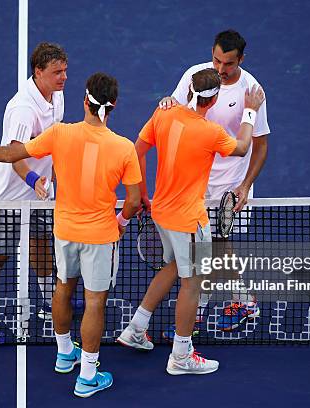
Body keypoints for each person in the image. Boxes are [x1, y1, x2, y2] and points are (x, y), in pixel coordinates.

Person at [0, 73, 142, 397]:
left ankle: (64, 353)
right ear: (113, 106)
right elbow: (136, 201)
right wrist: (121, 223)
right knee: (95, 303)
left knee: (62, 289)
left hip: (64, 231)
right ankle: (86, 376)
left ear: (85, 101)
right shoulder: (124, 148)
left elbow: (13, 154)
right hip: (100, 236)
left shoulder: (60, 134)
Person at [117, 68, 265, 374]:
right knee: (192, 285)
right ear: (212, 102)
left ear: (189, 92)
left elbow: (137, 150)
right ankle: (181, 356)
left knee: (171, 267)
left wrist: (143, 194)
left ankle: (135, 328)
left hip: (160, 212)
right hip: (189, 222)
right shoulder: (210, 132)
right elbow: (242, 148)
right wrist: (249, 111)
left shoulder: (163, 116)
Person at [158, 30, 271, 336]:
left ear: (241, 60)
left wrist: (246, 185)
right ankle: (203, 305)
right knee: (202, 247)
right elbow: (177, 112)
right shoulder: (196, 76)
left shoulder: (252, 91)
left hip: (230, 184)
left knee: (218, 247)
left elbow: (259, 144)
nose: (221, 70)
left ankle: (241, 301)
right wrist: (169, 101)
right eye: (217, 60)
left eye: (229, 64)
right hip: (195, 181)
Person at [0, 42, 69, 344]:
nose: (63, 78)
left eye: (64, 71)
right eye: (56, 72)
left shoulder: (56, 95)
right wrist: (35, 178)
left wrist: (55, 177)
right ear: (38, 71)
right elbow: (13, 154)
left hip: (39, 195)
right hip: (8, 197)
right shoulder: (23, 109)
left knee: (41, 246)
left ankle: (50, 304)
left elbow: (53, 142)